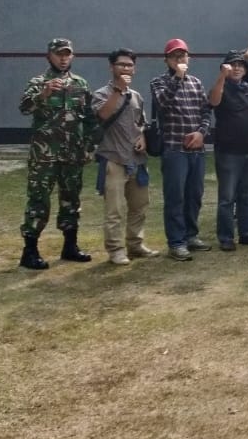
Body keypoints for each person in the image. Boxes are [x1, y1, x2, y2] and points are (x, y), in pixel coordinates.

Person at [17, 38, 97, 270]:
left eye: (67, 54)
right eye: (58, 54)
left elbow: (90, 119)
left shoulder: (80, 84)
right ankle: (29, 251)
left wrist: (89, 146)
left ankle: (70, 246)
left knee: (71, 200)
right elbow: (23, 108)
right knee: (38, 200)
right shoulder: (39, 82)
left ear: (72, 56)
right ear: (49, 56)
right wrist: (42, 95)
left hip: (72, 155)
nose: (63, 58)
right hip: (44, 156)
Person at [91, 48, 157, 265]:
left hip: (136, 160)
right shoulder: (101, 94)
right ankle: (116, 250)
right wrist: (118, 91)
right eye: (121, 65)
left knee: (139, 206)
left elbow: (141, 124)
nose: (126, 68)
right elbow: (102, 115)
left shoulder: (136, 96)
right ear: (112, 67)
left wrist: (143, 139)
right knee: (115, 209)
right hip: (114, 159)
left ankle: (135, 244)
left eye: (129, 65)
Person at [150, 38, 213, 261]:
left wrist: (201, 133)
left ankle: (191, 235)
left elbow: (206, 112)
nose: (180, 59)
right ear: (167, 60)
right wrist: (177, 77)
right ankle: (176, 242)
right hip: (174, 148)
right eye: (174, 56)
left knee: (194, 195)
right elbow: (163, 104)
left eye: (183, 55)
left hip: (196, 149)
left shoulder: (196, 82)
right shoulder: (159, 83)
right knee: (175, 196)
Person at [208, 49, 248, 251]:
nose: (237, 68)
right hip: (228, 152)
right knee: (227, 198)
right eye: (233, 65)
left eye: (241, 65)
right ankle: (226, 237)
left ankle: (247, 233)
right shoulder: (221, 87)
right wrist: (221, 77)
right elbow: (214, 101)